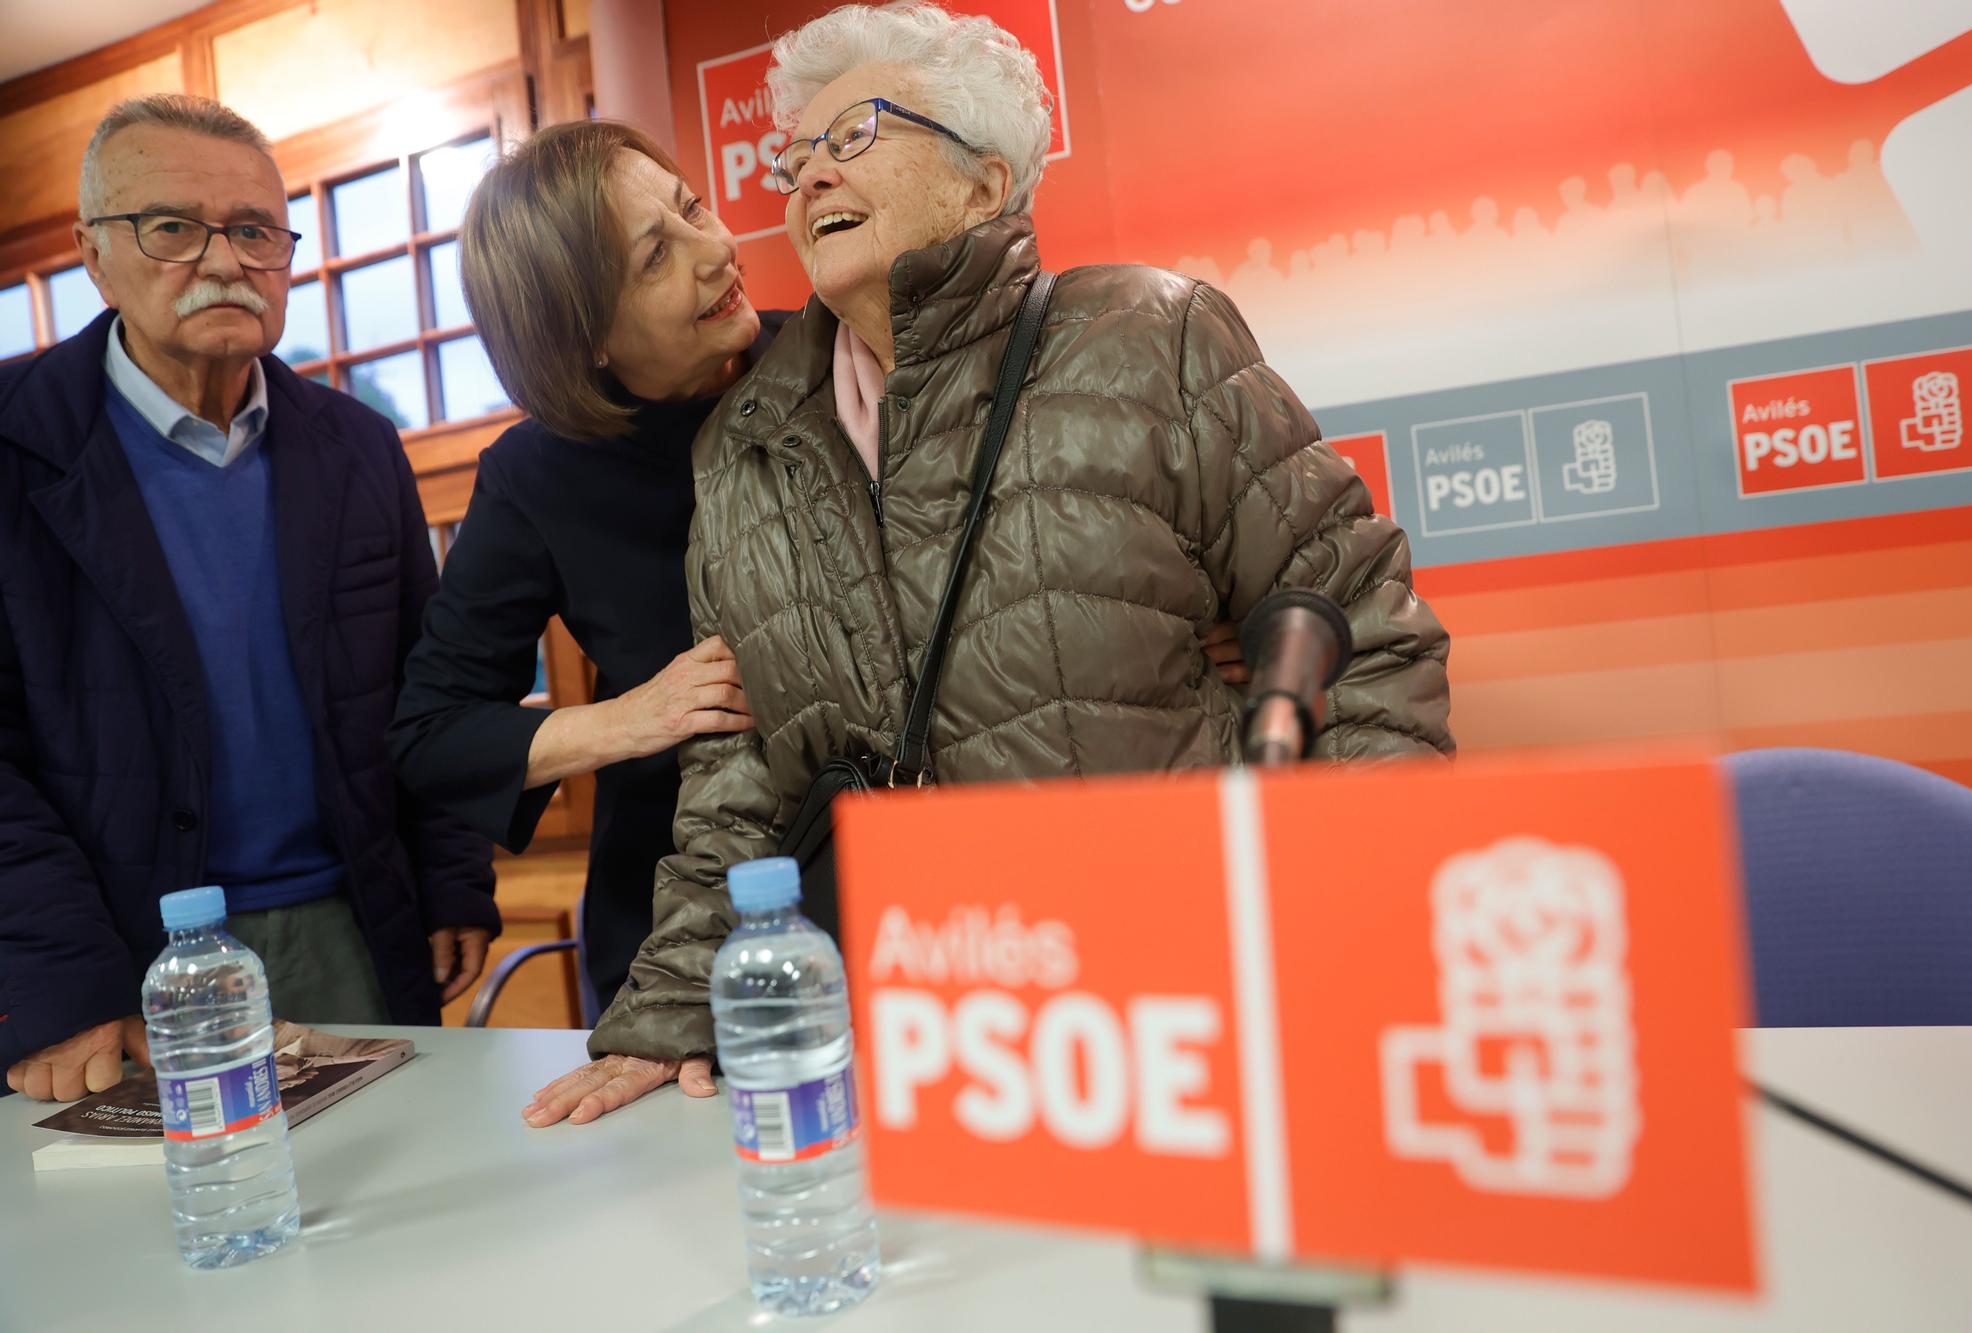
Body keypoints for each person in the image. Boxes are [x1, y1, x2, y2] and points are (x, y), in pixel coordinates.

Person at [522, 2, 1453, 1129]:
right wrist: (666, 1007)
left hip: (1177, 1012)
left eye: (853, 135)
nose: (807, 176)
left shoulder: (1154, 341)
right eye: (796, 155)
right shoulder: (745, 446)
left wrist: (1345, 935)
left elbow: (1362, 639)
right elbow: (740, 783)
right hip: (921, 1033)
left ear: (983, 182)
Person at [0, 95, 496, 1100]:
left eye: (256, 232)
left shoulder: (357, 447)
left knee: (396, 1213)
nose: (224, 261)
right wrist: (60, 973)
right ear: (93, 254)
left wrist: (452, 875)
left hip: (352, 923)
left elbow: (428, 686)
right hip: (119, 953)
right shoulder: (14, 443)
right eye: (173, 227)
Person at [389, 121, 779, 1017]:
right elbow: (431, 736)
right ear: (585, 337)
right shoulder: (538, 474)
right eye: (655, 258)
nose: (718, 249)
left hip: (883, 871)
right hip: (677, 930)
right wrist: (627, 718)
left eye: (692, 209)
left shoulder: (830, 364)